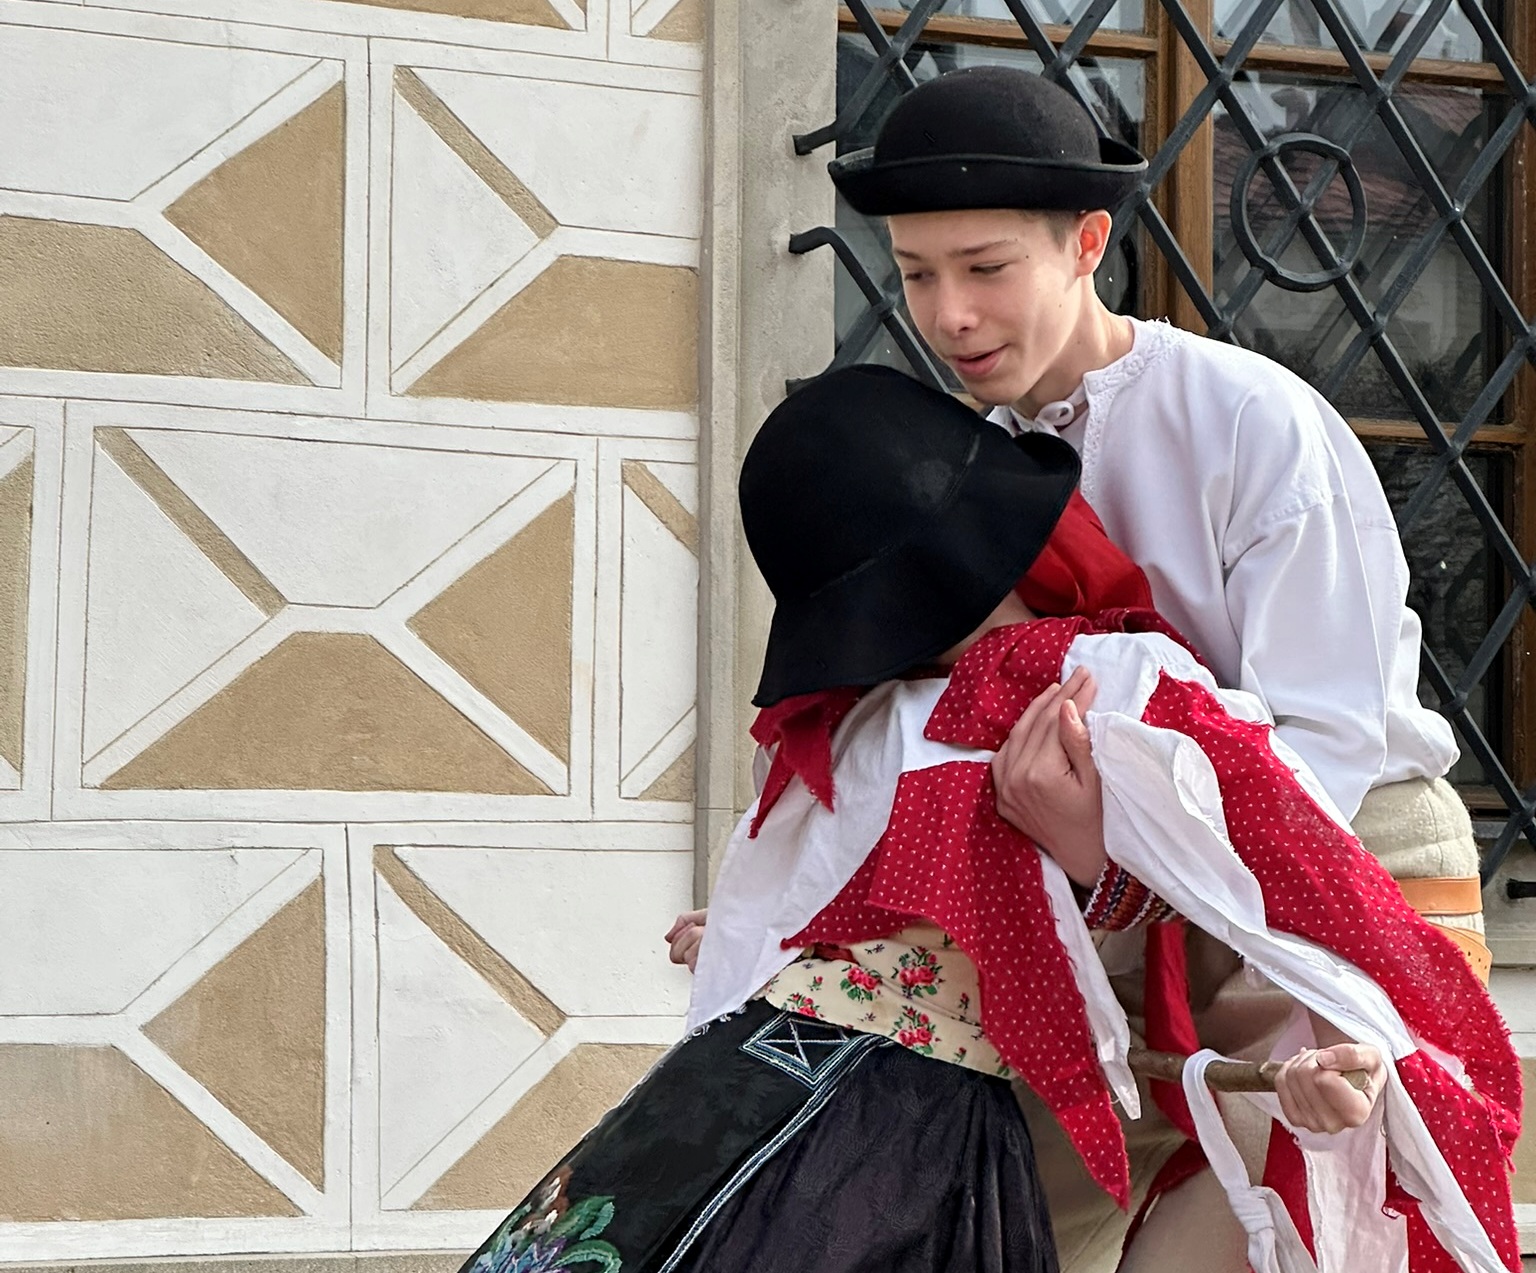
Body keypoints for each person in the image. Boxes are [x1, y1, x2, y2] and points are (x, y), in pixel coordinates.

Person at [817, 64, 1492, 1270]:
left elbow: (1327, 741)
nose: (949, 314)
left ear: (1088, 244)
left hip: (1341, 880)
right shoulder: (970, 462)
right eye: (917, 274)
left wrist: (1128, 862)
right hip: (1115, 915)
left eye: (985, 268)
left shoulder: (1248, 421)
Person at [679, 365, 1516, 1273]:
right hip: (898, 1107)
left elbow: (1305, 842)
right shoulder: (876, 724)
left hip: (1283, 923)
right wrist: (768, 936)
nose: (955, 317)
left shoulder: (1109, 669)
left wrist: (1354, 1045)